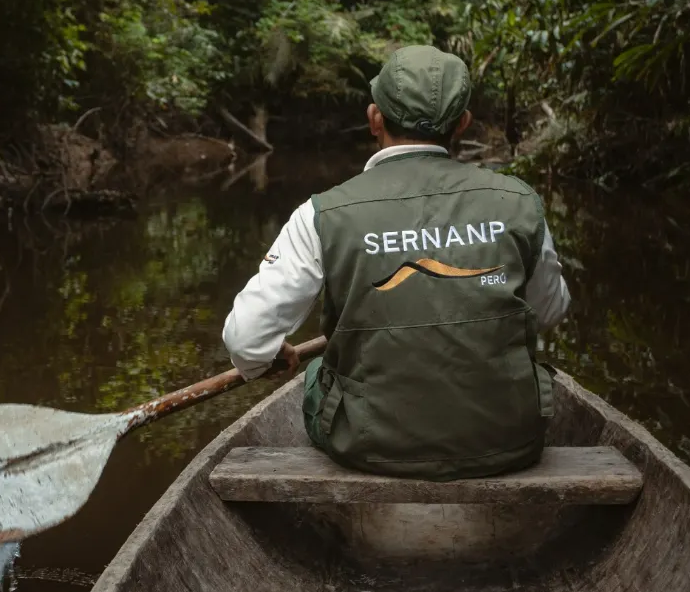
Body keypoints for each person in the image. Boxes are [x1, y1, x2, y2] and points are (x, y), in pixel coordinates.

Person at [221, 45, 571, 482]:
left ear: (374, 119)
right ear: (462, 124)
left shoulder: (322, 213)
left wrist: (269, 357)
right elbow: (550, 311)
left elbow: (246, 340)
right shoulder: (520, 202)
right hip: (510, 442)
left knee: (317, 374)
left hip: (367, 448)